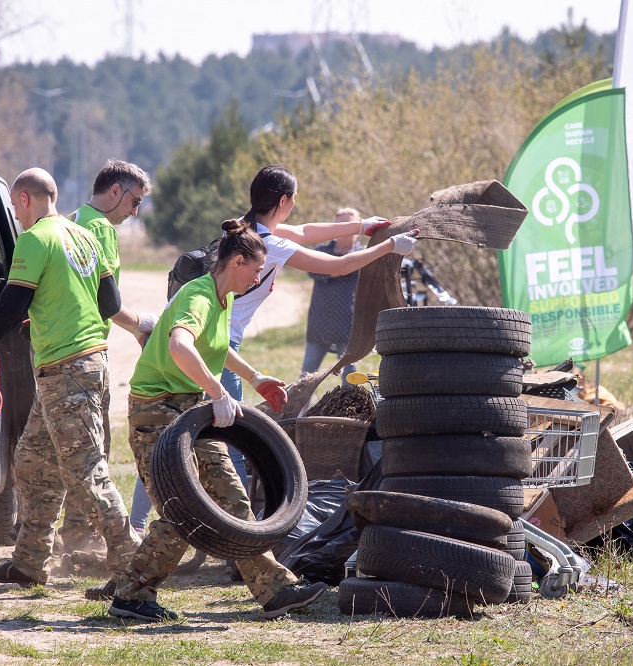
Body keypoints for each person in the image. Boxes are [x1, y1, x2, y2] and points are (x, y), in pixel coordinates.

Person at [99, 219, 324, 622]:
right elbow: (181, 345)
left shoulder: (224, 298)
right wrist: (219, 393)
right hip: (158, 411)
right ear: (237, 262)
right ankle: (131, 594)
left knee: (232, 499)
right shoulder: (199, 296)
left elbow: (214, 348)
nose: (260, 278)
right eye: (257, 270)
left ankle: (276, 591)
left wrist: (255, 378)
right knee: (182, 510)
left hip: (192, 409)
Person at [0, 168, 140, 587]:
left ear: (23, 199)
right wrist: (45, 316)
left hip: (67, 370)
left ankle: (133, 568)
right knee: (32, 462)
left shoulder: (35, 239)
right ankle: (29, 563)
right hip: (82, 365)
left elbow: (10, 305)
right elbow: (108, 301)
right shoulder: (86, 236)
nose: (17, 220)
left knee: (86, 473)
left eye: (17, 210)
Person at [219, 166, 419, 409]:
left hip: (210, 332)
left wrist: (360, 226)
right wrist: (391, 245)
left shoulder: (243, 227)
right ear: (284, 200)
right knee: (234, 427)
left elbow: (304, 232)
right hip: (222, 340)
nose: (294, 204)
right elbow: (340, 265)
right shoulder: (269, 244)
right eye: (293, 198)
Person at [59, 159, 157, 553]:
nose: (135, 212)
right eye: (134, 202)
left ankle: (58, 537)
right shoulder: (100, 228)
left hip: (57, 350)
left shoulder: (71, 219)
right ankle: (82, 539)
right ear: (114, 191)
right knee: (93, 449)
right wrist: (141, 326)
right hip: (85, 354)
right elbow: (107, 302)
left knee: (62, 449)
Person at [300, 207, 364, 383]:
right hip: (320, 323)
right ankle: (297, 411)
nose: (344, 229)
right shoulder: (321, 251)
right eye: (340, 225)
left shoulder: (364, 253)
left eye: (349, 225)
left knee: (350, 377)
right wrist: (345, 265)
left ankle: (349, 411)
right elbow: (315, 271)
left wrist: (342, 265)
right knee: (306, 376)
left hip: (349, 324)